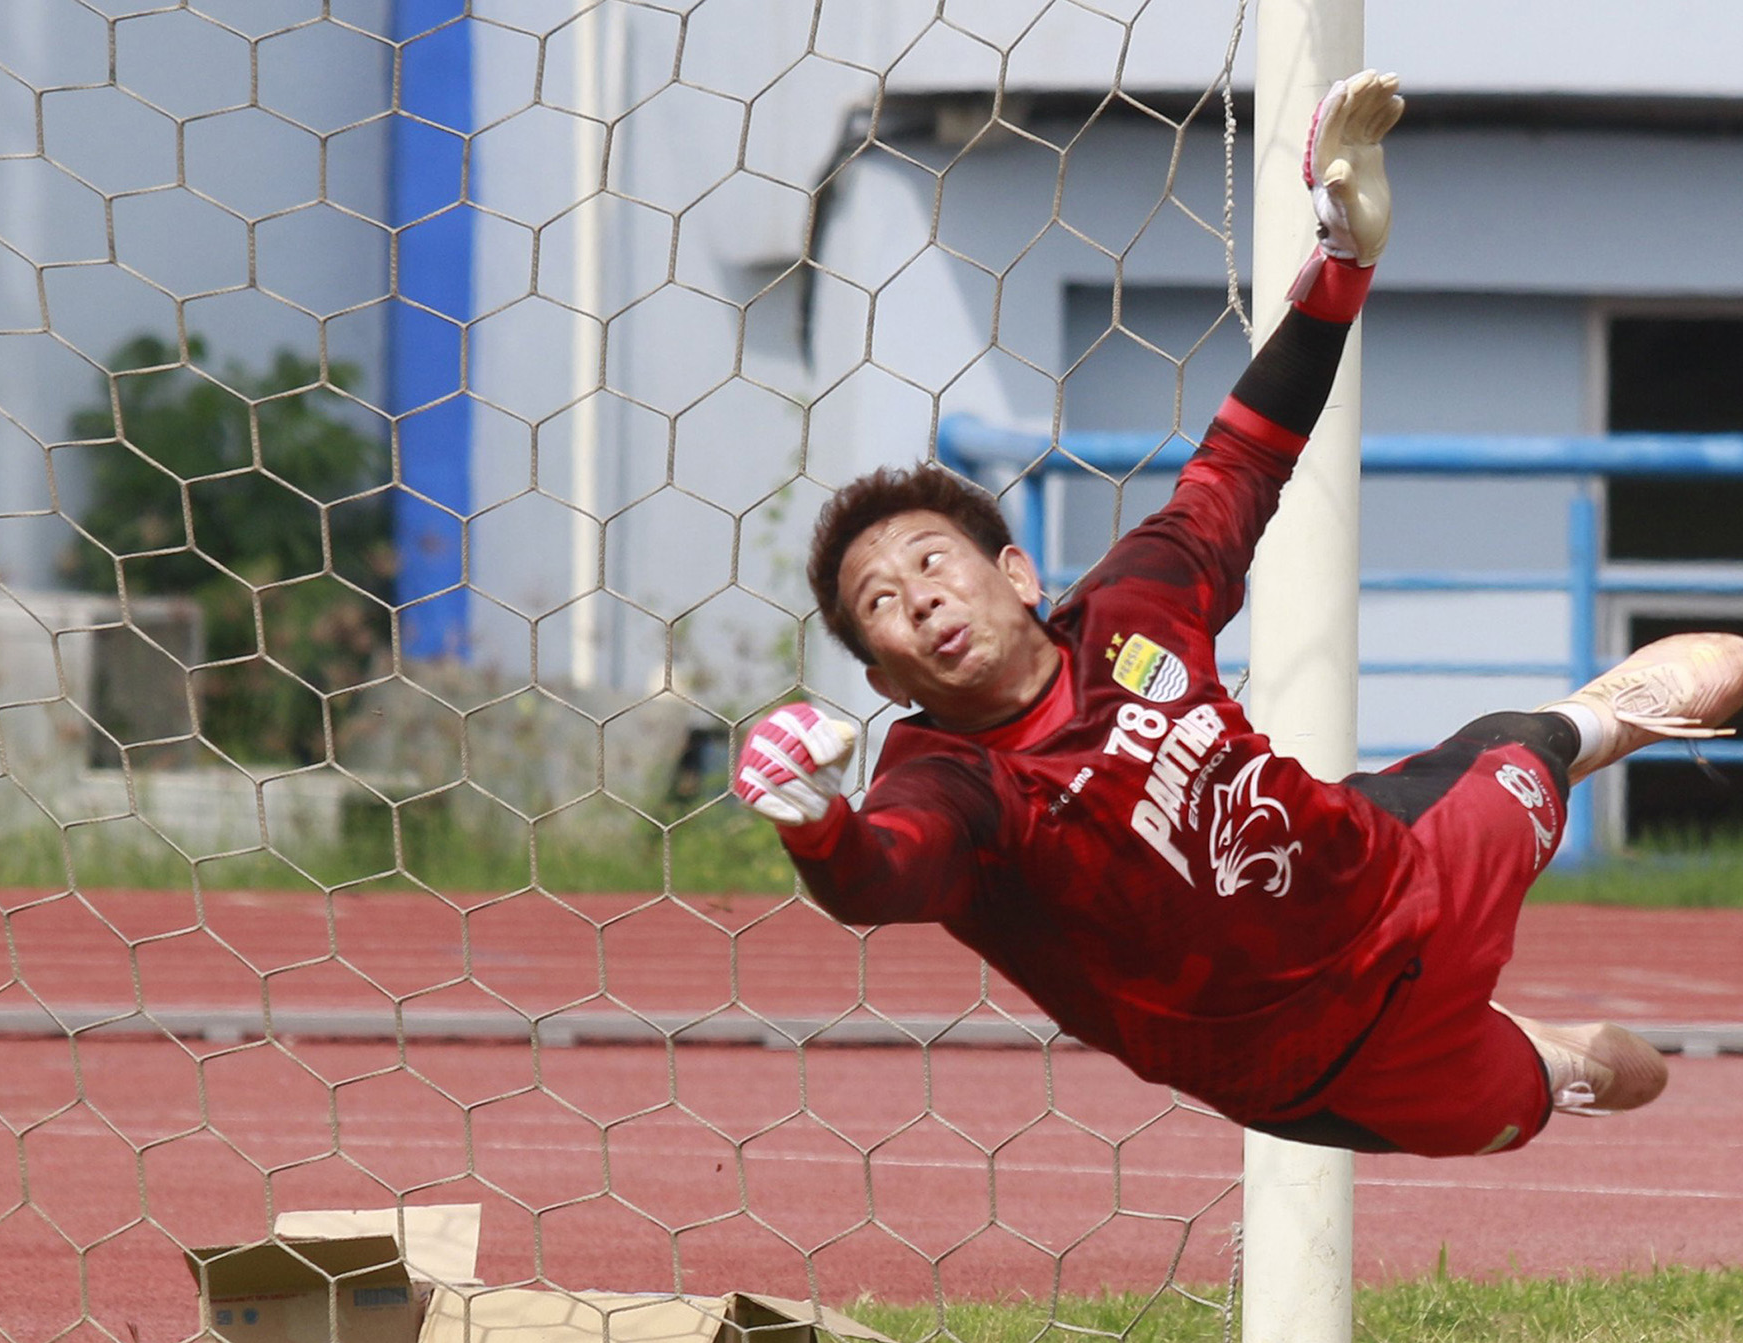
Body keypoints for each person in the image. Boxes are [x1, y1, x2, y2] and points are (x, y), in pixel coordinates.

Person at [731, 70, 1743, 1158]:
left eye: (931, 559)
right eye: (878, 600)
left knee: (1582, 721)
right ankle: (1537, 1055)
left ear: (1018, 573)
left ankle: (1591, 722)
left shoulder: (1136, 602)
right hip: (1323, 1066)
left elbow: (1244, 455)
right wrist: (816, 823)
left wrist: (1342, 269)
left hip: (1405, 870)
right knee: (1613, 1078)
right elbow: (878, 877)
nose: (918, 593)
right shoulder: (950, 786)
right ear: (886, 680)